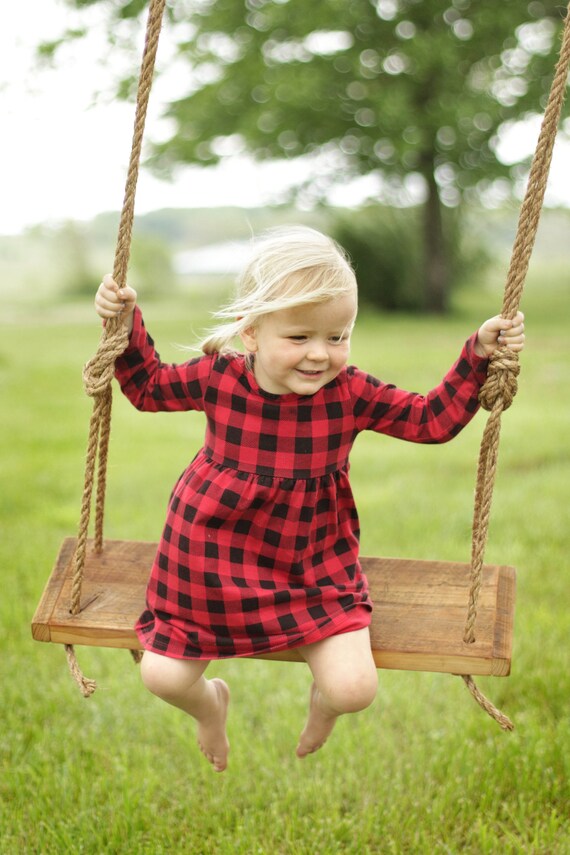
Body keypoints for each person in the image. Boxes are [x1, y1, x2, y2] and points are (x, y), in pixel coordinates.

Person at [94, 226, 525, 772]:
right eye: (299, 337)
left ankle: (323, 704)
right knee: (162, 676)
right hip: (206, 561)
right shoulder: (219, 379)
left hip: (309, 566)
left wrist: (478, 356)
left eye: (338, 336)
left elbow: (430, 421)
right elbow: (148, 387)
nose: (320, 355)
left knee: (353, 689)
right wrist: (126, 326)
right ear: (250, 333)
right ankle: (210, 707)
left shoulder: (351, 394)